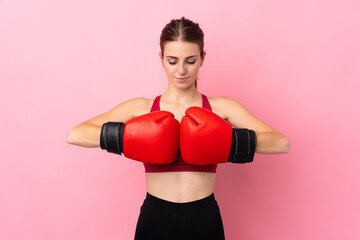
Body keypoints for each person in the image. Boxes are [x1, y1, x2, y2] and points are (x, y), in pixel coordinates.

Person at [67, 17, 290, 240]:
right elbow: (75, 134)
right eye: (173, 61)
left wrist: (229, 143)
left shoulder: (221, 107)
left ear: (202, 58)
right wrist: (130, 136)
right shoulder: (142, 108)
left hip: (205, 218)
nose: (181, 70)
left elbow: (281, 143)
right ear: (161, 58)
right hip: (155, 218)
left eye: (190, 61)